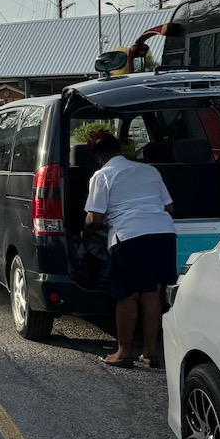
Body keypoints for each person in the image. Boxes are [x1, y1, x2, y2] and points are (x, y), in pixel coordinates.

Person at [83, 132, 176, 368]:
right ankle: (151, 353)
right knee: (151, 293)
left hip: (130, 237)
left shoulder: (102, 175)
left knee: (127, 295)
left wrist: (85, 235)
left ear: (98, 157)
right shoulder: (149, 171)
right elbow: (169, 206)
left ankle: (123, 353)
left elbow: (94, 218)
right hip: (163, 235)